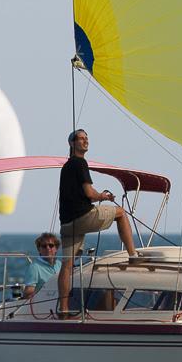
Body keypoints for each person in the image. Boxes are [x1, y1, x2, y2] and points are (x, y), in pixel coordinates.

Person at [56, 129, 138, 317]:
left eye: (87, 139)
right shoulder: (80, 162)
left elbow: (77, 195)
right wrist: (104, 196)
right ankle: (133, 255)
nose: (85, 142)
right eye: (81, 139)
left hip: (67, 223)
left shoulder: (66, 167)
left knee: (66, 266)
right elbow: (89, 193)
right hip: (83, 217)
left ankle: (64, 309)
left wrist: (96, 196)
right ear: (71, 143)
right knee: (121, 213)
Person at [23, 232, 62, 299]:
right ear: (39, 250)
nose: (47, 248)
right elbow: (28, 293)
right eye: (44, 246)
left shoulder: (60, 264)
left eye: (51, 245)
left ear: (56, 248)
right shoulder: (34, 267)